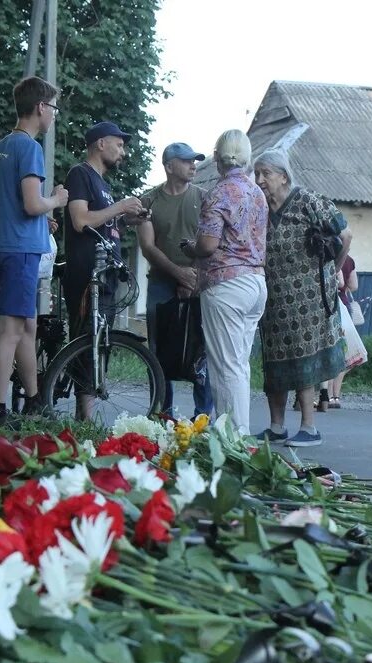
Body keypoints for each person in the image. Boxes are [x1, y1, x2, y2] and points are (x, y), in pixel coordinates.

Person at [0, 77, 69, 427]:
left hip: (8, 244)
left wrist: (40, 218)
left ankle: (34, 400)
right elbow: (33, 203)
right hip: (20, 251)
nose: (55, 116)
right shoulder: (29, 148)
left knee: (27, 325)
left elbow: (16, 204)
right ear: (41, 108)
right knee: (11, 328)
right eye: (54, 109)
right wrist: (56, 201)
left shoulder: (5, 146)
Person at [252, 149, 352, 447]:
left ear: (283, 176)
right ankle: (276, 426)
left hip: (308, 300)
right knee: (273, 361)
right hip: (274, 301)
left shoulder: (308, 201)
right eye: (257, 174)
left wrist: (333, 270)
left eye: (265, 174)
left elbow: (345, 234)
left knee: (304, 360)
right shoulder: (261, 209)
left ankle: (309, 427)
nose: (259, 180)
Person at [178, 130, 268, 434]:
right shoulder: (257, 192)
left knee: (223, 366)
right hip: (256, 283)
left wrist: (189, 248)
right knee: (239, 365)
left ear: (217, 158)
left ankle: (233, 438)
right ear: (246, 156)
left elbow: (207, 245)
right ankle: (239, 431)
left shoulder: (219, 193)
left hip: (226, 285)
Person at [63, 121, 146, 418]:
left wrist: (125, 221)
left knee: (101, 342)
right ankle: (84, 417)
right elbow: (80, 221)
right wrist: (121, 206)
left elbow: (104, 227)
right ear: (100, 143)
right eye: (119, 144)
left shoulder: (105, 186)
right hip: (87, 273)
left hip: (106, 272)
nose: (122, 151)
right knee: (87, 342)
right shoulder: (80, 174)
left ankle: (89, 416)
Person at [139, 142, 215, 418]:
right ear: (169, 166)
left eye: (194, 160)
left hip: (199, 282)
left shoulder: (206, 198)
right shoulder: (149, 200)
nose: (193, 165)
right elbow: (147, 247)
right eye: (186, 161)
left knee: (201, 350)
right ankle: (163, 414)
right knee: (158, 351)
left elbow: (211, 242)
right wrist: (177, 273)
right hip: (161, 282)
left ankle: (202, 418)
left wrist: (192, 276)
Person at [327, 254, 359, 408]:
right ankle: (335, 397)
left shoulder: (327, 255)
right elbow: (353, 285)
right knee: (342, 351)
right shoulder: (349, 260)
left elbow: (340, 283)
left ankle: (324, 395)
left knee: (329, 349)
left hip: (329, 306)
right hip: (344, 307)